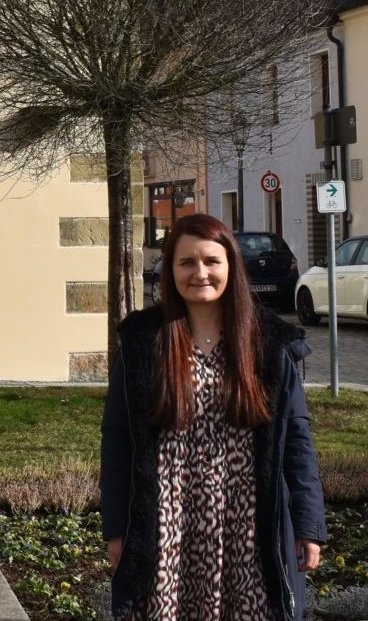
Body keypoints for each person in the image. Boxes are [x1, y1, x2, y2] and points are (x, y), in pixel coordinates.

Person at [99, 213, 326, 621]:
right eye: (186, 262)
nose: (199, 273)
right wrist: (117, 530)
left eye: (211, 261)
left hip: (248, 522)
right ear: (169, 270)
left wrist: (308, 525)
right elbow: (117, 440)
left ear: (230, 267)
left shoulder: (269, 344)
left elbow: (296, 439)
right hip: (165, 522)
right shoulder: (142, 342)